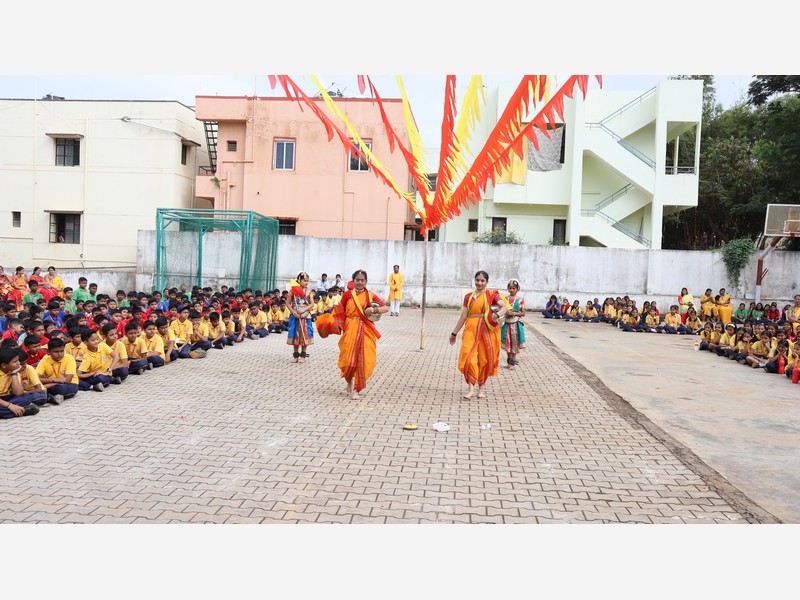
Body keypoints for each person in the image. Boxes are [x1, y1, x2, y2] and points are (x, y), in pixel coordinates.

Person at [449, 270, 510, 400]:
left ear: (486, 282)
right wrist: (454, 333)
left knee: (484, 359)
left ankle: (481, 388)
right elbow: (463, 317)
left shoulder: (492, 295)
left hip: (486, 329)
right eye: (477, 280)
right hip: (470, 329)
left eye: (482, 281)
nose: (479, 283)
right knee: (469, 357)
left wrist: (496, 315)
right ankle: (471, 388)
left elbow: (505, 307)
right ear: (474, 280)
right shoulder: (468, 297)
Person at [333, 269, 388, 400]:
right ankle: (349, 381)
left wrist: (373, 309)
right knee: (348, 359)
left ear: (366, 282)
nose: (360, 282)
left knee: (364, 359)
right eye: (357, 280)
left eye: (362, 280)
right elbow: (340, 311)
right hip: (350, 328)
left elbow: (385, 308)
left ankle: (357, 389)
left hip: (366, 329)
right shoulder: (347, 295)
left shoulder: (370, 295)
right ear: (353, 281)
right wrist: (336, 325)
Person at [0, 345, 41, 418]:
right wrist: (10, 406)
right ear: (3, 365)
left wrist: (14, 374)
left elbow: (18, 393)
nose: (18, 363)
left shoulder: (14, 371)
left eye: (18, 360)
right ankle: (22, 411)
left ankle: (11, 411)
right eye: (15, 361)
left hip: (4, 398)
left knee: (26, 398)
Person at [36, 338, 80, 404]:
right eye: (56, 352)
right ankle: (51, 397)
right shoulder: (45, 359)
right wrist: (54, 380)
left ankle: (47, 396)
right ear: (49, 352)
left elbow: (67, 380)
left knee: (60, 388)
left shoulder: (69, 358)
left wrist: (47, 385)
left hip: (70, 385)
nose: (59, 354)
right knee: (37, 387)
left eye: (62, 351)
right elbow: (35, 379)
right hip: (52, 384)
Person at [286, 272, 315, 363]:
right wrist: (293, 312)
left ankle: (303, 354)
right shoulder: (293, 291)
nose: (306, 282)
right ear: (299, 280)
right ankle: (295, 355)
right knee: (295, 334)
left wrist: (304, 309)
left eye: (307, 281)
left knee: (305, 334)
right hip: (295, 316)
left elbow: (312, 304)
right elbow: (287, 303)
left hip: (306, 316)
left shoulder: (309, 291)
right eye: (304, 280)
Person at [501, 279, 526, 369]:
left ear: (517, 289)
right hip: (506, 323)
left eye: (513, 288)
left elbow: (523, 313)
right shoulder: (505, 299)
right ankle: (509, 362)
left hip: (515, 324)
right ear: (508, 289)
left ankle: (513, 363)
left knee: (514, 343)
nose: (512, 290)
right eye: (510, 288)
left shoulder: (520, 300)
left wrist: (514, 313)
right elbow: (501, 310)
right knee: (507, 342)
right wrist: (505, 312)